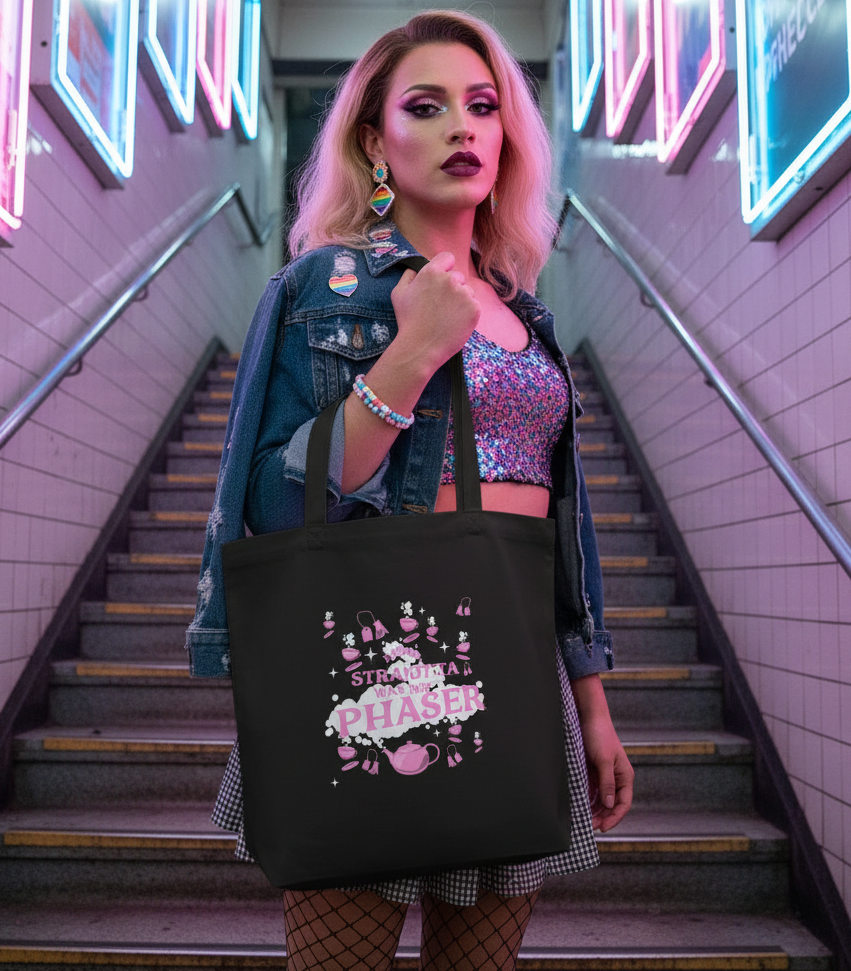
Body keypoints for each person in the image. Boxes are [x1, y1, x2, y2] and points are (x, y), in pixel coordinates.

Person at [186, 10, 634, 970]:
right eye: (424, 108)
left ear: (507, 134)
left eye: (481, 107)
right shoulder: (321, 289)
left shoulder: (530, 316)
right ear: (373, 140)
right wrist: (409, 355)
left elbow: (565, 527)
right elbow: (269, 503)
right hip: (372, 669)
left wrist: (590, 702)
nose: (460, 129)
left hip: (521, 672)